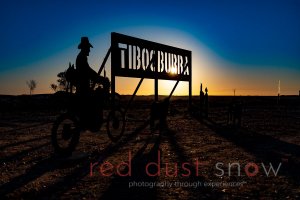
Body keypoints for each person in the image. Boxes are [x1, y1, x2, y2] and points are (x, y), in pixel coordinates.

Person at [75, 37, 110, 131]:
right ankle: (92, 123)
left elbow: (89, 72)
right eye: (88, 48)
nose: (89, 50)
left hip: (82, 87)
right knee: (97, 99)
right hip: (83, 88)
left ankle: (89, 123)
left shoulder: (81, 57)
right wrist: (101, 79)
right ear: (85, 47)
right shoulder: (82, 58)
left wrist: (98, 77)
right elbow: (89, 72)